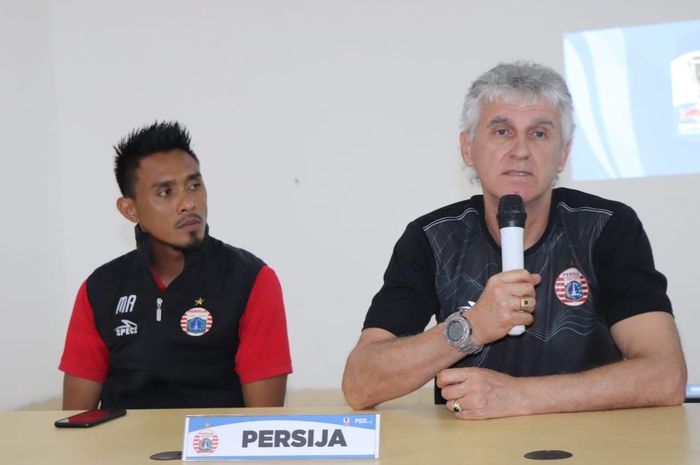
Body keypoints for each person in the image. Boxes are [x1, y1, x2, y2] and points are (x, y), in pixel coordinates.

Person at [342, 61, 687, 419]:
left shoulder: (607, 227)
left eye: (539, 133)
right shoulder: (432, 238)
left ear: (563, 155)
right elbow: (360, 385)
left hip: (591, 446)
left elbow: (665, 377)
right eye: (502, 131)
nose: (521, 150)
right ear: (467, 149)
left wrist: (519, 397)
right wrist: (471, 327)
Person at [59, 121, 292, 409]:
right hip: (121, 452)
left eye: (194, 186)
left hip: (214, 450)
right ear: (130, 209)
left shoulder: (251, 280)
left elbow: (261, 425)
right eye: (166, 192)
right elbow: (76, 420)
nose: (188, 203)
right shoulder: (100, 288)